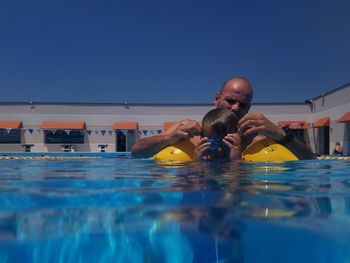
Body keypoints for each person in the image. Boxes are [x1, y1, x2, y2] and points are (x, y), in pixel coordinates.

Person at [131, 77, 316, 160]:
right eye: (230, 100)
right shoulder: (187, 129)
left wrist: (281, 134)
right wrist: (167, 138)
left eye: (243, 105)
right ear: (216, 98)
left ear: (249, 108)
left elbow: (309, 160)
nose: (235, 107)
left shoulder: (259, 136)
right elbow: (136, 152)